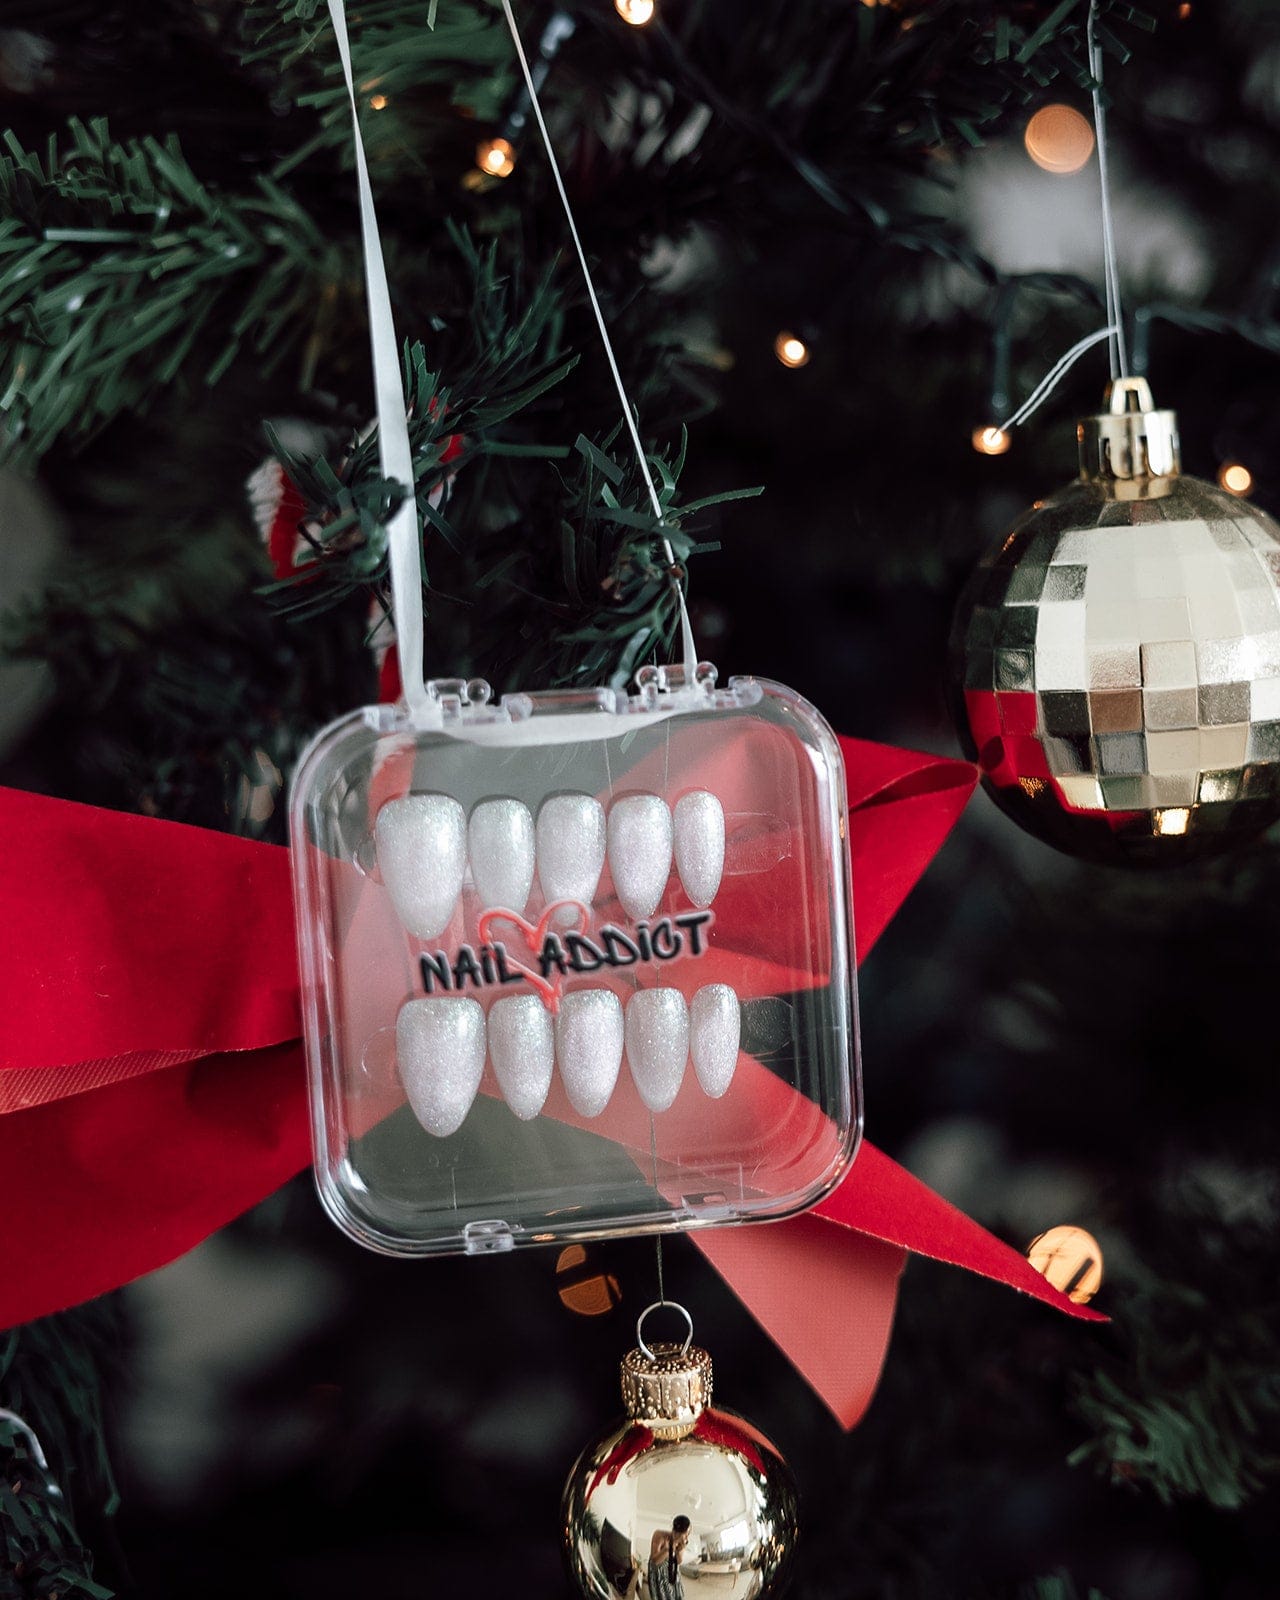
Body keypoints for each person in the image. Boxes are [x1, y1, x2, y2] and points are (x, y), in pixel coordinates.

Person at [646, 1515, 691, 1600]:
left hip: (673, 1574)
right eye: (685, 1534)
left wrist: (680, 1549)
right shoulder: (659, 1535)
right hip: (659, 1574)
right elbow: (655, 1561)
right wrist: (667, 1549)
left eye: (688, 1534)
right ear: (677, 1532)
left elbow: (679, 1561)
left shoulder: (683, 1541)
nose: (687, 1537)